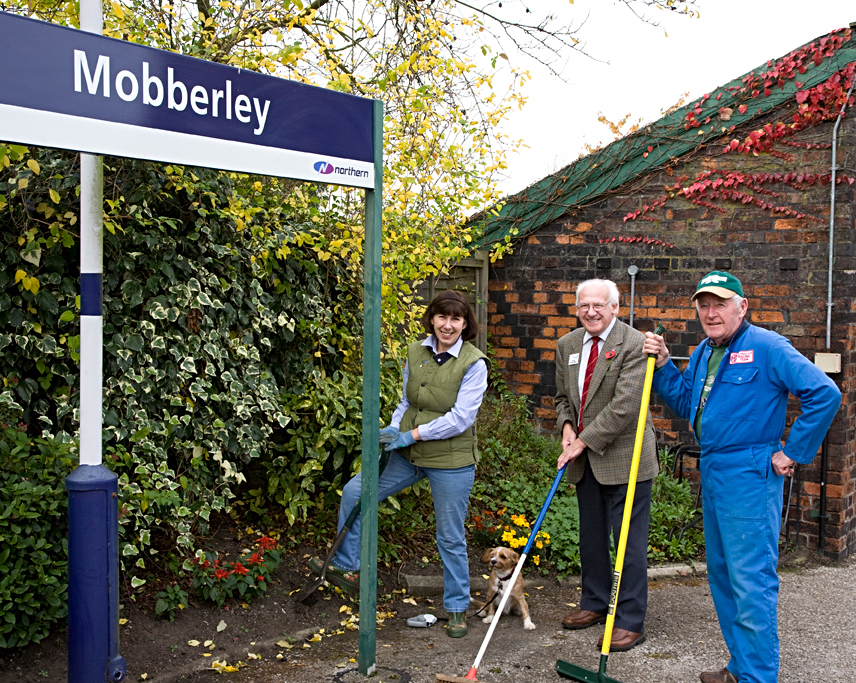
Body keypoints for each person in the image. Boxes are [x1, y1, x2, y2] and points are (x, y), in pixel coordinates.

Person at [643, 270, 840, 683]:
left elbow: (824, 393)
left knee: (750, 579)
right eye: (704, 305)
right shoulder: (704, 351)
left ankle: (758, 677)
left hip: (750, 473)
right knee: (723, 574)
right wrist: (663, 365)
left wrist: (792, 452)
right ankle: (741, 666)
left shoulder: (768, 346)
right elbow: (687, 402)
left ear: (742, 306)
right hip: (714, 466)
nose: (711, 313)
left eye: (720, 304)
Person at [308, 290, 489, 638]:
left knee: (449, 536)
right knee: (356, 491)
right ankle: (347, 567)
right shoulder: (415, 351)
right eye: (442, 316)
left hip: (450, 461)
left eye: (456, 318)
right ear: (431, 318)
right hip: (408, 455)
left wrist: (413, 435)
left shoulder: (474, 363)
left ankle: (456, 608)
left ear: (465, 324)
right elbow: (407, 401)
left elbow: (461, 419)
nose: (447, 325)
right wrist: (395, 427)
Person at [554, 278, 657, 652]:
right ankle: (595, 602)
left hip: (626, 459)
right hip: (585, 461)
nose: (591, 312)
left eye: (599, 305)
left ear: (615, 307)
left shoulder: (634, 344)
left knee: (628, 543)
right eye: (584, 305)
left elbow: (625, 407)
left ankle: (630, 620)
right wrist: (567, 428)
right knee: (591, 539)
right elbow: (562, 398)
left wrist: (581, 442)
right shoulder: (567, 345)